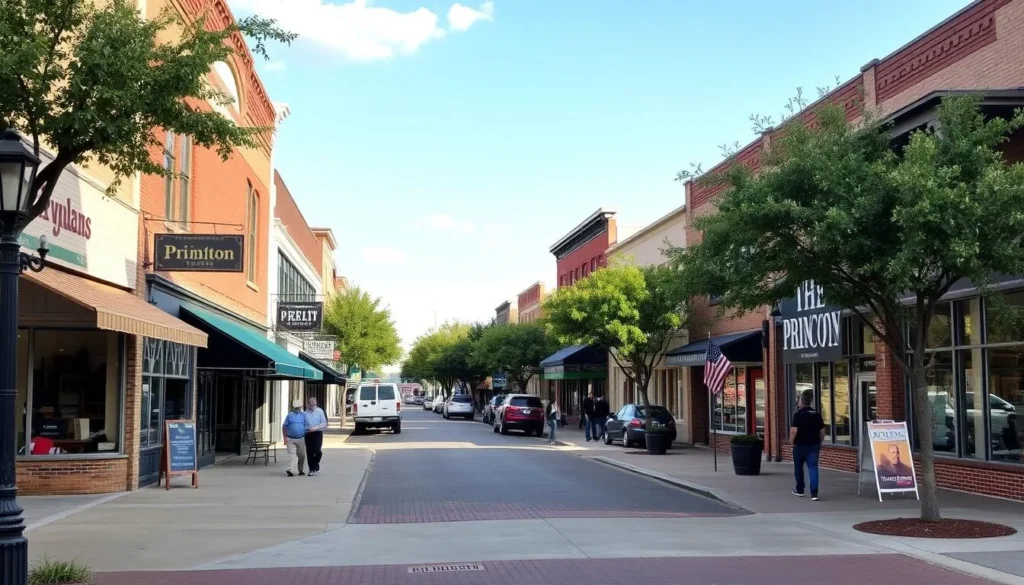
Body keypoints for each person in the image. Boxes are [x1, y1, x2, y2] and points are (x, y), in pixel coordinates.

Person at [790, 389, 825, 501]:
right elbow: (822, 431)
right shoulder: (817, 415)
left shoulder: (798, 415)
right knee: (813, 468)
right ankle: (814, 493)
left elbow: (794, 430)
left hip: (799, 446)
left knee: (798, 467)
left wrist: (791, 442)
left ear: (801, 402)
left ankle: (800, 490)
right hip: (813, 446)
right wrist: (819, 441)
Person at [304, 397, 328, 477]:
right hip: (308, 433)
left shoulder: (320, 411)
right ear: (308, 404)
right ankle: (312, 469)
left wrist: (316, 428)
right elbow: (303, 424)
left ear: (316, 404)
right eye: (310, 404)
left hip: (317, 433)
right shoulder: (305, 413)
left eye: (314, 404)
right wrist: (306, 429)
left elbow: (324, 423)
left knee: (317, 450)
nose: (312, 405)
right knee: (309, 452)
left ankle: (316, 463)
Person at [283, 400, 308, 477]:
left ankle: (300, 470)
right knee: (292, 455)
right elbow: (284, 426)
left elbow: (307, 426)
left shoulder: (304, 415)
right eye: (296, 408)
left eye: (298, 408)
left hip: (301, 438)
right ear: (294, 408)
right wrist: (285, 438)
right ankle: (291, 469)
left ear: (301, 407)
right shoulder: (289, 415)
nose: (297, 409)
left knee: (302, 455)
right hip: (290, 438)